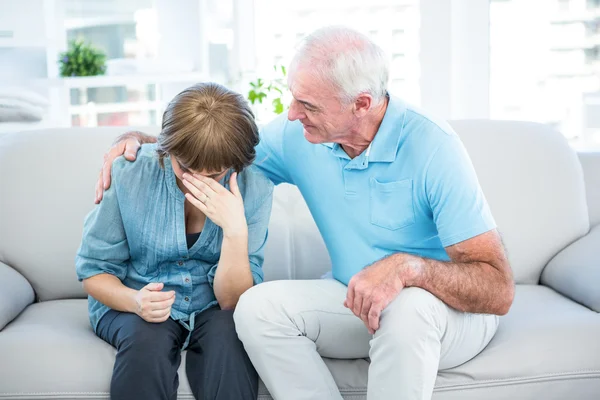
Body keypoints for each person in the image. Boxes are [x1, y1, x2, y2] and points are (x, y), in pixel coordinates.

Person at [95, 26, 514, 400]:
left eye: (307, 104)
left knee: (407, 309)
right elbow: (215, 149)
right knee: (256, 308)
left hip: (445, 316)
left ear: (361, 104)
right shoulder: (302, 136)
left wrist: (409, 269)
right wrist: (146, 143)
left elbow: (498, 290)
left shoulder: (434, 147)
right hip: (356, 299)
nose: (292, 114)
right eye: (293, 98)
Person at [76, 82, 273, 400]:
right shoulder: (132, 172)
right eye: (186, 169)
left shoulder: (256, 186)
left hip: (214, 305)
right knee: (145, 343)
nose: (198, 182)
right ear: (167, 150)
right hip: (135, 298)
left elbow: (232, 303)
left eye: (215, 174)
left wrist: (235, 231)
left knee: (231, 335)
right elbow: (93, 271)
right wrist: (135, 302)